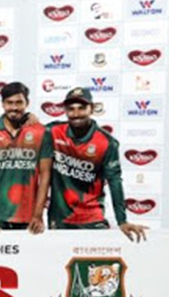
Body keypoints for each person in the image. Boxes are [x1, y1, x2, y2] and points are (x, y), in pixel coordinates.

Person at [48, 87, 148, 242]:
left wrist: (122, 221)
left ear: (92, 109)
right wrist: (29, 117)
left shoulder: (107, 142)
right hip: (59, 218)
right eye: (71, 109)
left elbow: (115, 181)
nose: (76, 114)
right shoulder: (53, 131)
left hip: (91, 219)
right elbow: (28, 131)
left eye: (82, 108)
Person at [0, 82, 52, 234]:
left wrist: (38, 214)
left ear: (27, 103)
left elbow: (45, 176)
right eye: (9, 103)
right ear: (2, 104)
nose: (14, 107)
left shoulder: (41, 133)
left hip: (29, 216)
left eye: (19, 102)